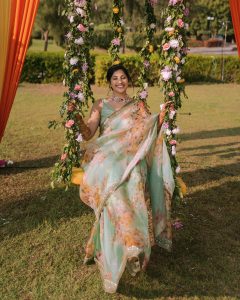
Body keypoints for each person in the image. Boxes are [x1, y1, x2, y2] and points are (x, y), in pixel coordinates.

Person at [72, 64, 175, 293]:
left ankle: (132, 243)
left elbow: (149, 129)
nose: (120, 81)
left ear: (129, 81)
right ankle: (131, 241)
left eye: (124, 78)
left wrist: (162, 116)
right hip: (106, 155)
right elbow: (89, 132)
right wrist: (76, 118)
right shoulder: (100, 104)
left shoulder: (138, 105)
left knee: (134, 176)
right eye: (115, 78)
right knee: (114, 180)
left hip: (131, 156)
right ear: (109, 82)